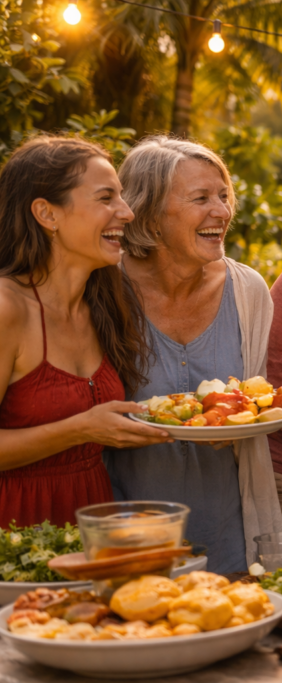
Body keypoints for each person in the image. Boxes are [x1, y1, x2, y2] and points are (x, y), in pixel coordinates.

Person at [103, 137, 282, 574]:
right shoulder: (103, 289)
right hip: (129, 536)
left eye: (224, 196)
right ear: (148, 212)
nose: (222, 212)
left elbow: (246, 395)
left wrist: (279, 407)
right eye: (201, 198)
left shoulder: (248, 291)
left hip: (229, 533)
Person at [0, 136, 170, 528]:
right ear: (47, 214)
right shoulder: (8, 308)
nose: (126, 213)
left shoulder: (105, 303)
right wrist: (81, 429)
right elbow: (84, 426)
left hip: (92, 525)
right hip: (17, 533)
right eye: (106, 198)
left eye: (121, 197)